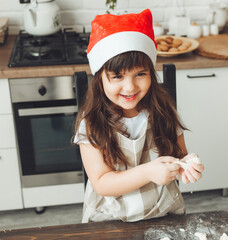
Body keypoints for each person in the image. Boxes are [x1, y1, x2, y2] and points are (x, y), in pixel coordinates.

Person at [73, 9, 204, 223]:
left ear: (151, 73)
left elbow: (179, 155)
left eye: (140, 74)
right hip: (111, 219)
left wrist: (187, 165)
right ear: (100, 80)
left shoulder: (163, 110)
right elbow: (101, 183)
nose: (130, 86)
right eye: (117, 76)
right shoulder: (91, 123)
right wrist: (147, 173)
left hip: (164, 212)